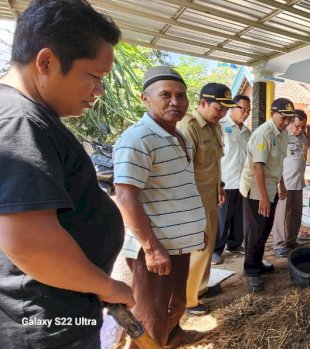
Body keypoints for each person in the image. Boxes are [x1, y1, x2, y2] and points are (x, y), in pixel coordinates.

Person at [0, 1, 133, 348]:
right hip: (45, 326)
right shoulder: (20, 123)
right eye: (95, 76)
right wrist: (107, 286)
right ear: (46, 62)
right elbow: (29, 244)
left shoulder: (32, 116)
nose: (100, 91)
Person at [114, 66, 207, 348]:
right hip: (155, 249)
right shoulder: (138, 139)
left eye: (181, 95)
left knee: (176, 302)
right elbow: (126, 197)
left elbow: (181, 189)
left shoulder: (179, 136)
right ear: (145, 98)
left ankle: (172, 337)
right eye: (165, 95)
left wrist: (195, 230)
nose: (175, 102)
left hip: (178, 244)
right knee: (150, 314)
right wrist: (152, 248)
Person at [177, 83, 235, 315]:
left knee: (208, 245)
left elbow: (214, 162)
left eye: (225, 110)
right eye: (218, 109)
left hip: (210, 195)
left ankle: (201, 288)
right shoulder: (189, 127)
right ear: (202, 104)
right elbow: (184, 167)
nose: (222, 114)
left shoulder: (214, 127)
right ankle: (188, 299)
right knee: (198, 247)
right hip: (194, 199)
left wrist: (220, 186)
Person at [240, 98, 293, 292]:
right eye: (283, 117)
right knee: (255, 231)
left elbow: (278, 163)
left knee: (265, 228)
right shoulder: (263, 134)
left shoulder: (283, 134)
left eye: (289, 118)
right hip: (255, 189)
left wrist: (282, 184)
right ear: (273, 113)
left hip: (271, 187)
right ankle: (251, 270)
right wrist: (263, 196)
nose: (286, 121)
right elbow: (258, 167)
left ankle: (257, 262)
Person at [213, 95, 252, 265]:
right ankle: (215, 250)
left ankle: (234, 244)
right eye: (242, 109)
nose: (245, 113)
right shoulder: (220, 127)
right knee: (222, 218)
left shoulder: (247, 132)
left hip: (242, 182)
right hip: (226, 181)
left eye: (248, 110)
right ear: (232, 108)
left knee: (238, 217)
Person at [271, 109, 309, 257]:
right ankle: (279, 243)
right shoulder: (282, 136)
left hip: (298, 182)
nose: (300, 129)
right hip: (284, 183)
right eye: (297, 126)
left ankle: (291, 241)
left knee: (295, 214)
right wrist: (279, 184)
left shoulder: (304, 138)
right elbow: (276, 161)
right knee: (281, 215)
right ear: (290, 122)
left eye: (303, 127)